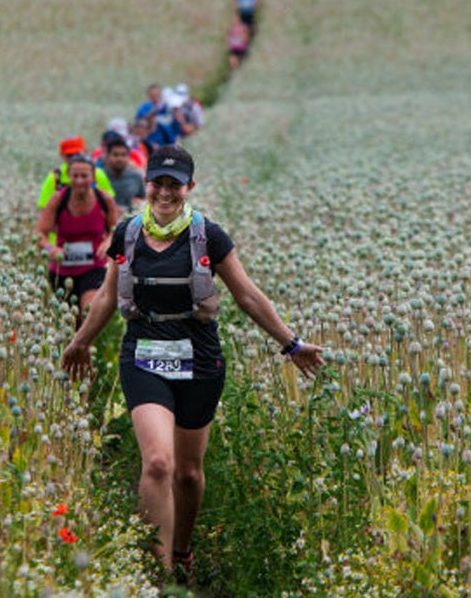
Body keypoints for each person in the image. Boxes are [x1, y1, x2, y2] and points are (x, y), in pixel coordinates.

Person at [61, 145, 325, 579]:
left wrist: (292, 345)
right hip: (143, 355)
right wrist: (81, 342)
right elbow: (108, 296)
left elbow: (247, 295)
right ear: (147, 185)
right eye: (158, 183)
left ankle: (182, 550)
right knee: (159, 463)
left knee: (187, 472)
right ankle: (158, 573)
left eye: (174, 184)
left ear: (189, 187)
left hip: (199, 360)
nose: (165, 192)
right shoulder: (126, 234)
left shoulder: (209, 236)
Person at [35, 155, 120, 322]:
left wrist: (108, 242)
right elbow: (40, 234)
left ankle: (87, 346)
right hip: (62, 270)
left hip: (94, 266)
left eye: (84, 176)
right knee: (70, 322)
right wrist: (51, 249)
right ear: (69, 177)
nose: (79, 181)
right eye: (75, 176)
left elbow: (115, 231)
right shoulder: (58, 199)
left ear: (93, 177)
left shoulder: (105, 199)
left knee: (88, 312)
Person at [37, 135, 115, 210]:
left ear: (85, 152)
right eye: (69, 155)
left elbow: (110, 203)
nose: (74, 159)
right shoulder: (54, 178)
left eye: (77, 154)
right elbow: (44, 208)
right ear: (62, 155)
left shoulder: (97, 174)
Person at [99, 133, 146, 213]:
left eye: (123, 155)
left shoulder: (136, 177)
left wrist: (138, 203)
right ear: (108, 156)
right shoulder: (100, 176)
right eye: (115, 155)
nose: (120, 159)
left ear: (128, 157)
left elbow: (143, 199)